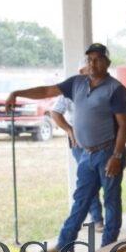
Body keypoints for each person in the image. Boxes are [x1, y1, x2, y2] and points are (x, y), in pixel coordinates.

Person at [6, 43, 126, 252]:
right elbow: (47, 91)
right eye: (89, 59)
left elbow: (124, 125)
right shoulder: (77, 83)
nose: (92, 63)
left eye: (98, 59)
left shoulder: (116, 89)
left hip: (108, 152)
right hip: (85, 153)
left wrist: (117, 156)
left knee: (111, 198)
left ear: (107, 63)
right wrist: (17, 93)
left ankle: (108, 246)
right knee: (81, 199)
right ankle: (65, 244)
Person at [48, 65, 103, 231]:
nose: (92, 72)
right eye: (88, 70)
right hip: (79, 143)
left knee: (102, 179)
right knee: (89, 180)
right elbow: (55, 112)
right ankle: (97, 218)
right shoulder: (71, 91)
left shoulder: (104, 89)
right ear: (81, 73)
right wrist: (69, 130)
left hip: (101, 142)